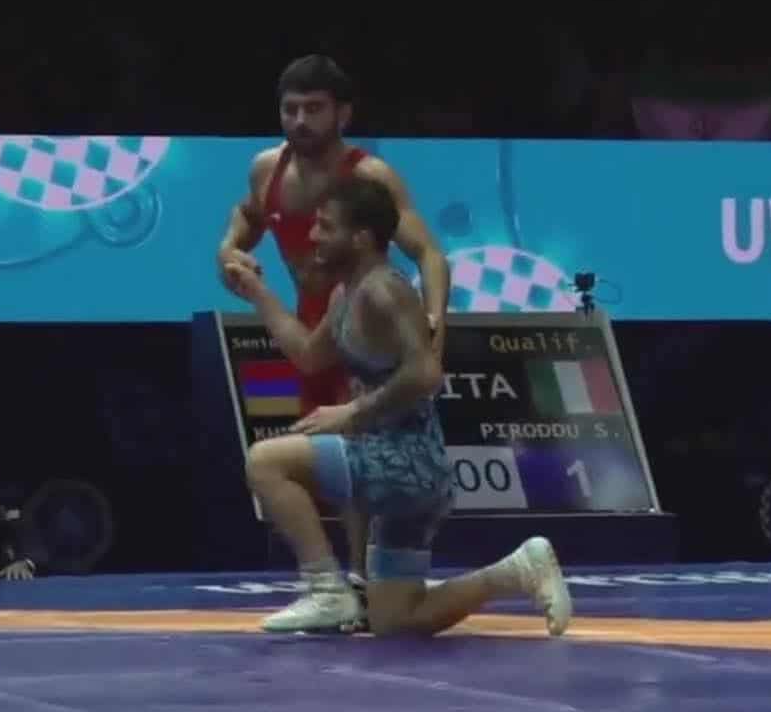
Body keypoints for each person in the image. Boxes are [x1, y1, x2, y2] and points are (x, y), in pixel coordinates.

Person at [224, 175, 571, 637]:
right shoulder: (347, 292)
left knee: (266, 462)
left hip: (403, 462)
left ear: (362, 237)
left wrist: (351, 413)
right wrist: (257, 293)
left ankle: (326, 590)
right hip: (403, 469)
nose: (313, 236)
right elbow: (309, 355)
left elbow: (426, 373)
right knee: (396, 621)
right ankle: (516, 570)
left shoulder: (385, 290)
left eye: (326, 226)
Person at [216, 55, 451, 626]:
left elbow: (429, 253)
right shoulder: (267, 168)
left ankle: (357, 582)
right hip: (317, 320)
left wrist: (434, 324)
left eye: (314, 109)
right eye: (290, 109)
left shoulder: (368, 176)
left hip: (366, 321)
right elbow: (250, 215)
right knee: (327, 462)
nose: (300, 121)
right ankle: (350, 586)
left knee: (352, 450)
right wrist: (230, 249)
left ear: (343, 113)